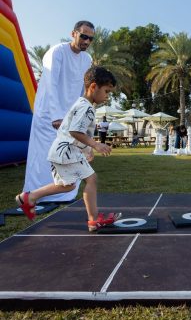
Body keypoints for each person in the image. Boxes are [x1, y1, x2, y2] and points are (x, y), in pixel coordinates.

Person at [15, 67, 121, 232]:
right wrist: (96, 144)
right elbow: (74, 131)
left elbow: (78, 133)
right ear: (93, 87)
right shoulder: (85, 107)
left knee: (69, 185)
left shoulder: (83, 104)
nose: (107, 96)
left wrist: (87, 150)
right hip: (65, 151)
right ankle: (93, 220)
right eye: (106, 91)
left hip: (65, 151)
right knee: (90, 179)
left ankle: (29, 197)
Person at [23, 21, 95, 203]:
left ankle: (62, 194)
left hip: (69, 118)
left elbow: (83, 91)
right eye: (84, 36)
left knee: (68, 155)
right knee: (43, 157)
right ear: (73, 33)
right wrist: (56, 115)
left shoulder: (87, 60)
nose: (86, 41)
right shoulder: (57, 52)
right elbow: (51, 84)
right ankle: (34, 194)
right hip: (48, 115)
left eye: (90, 39)